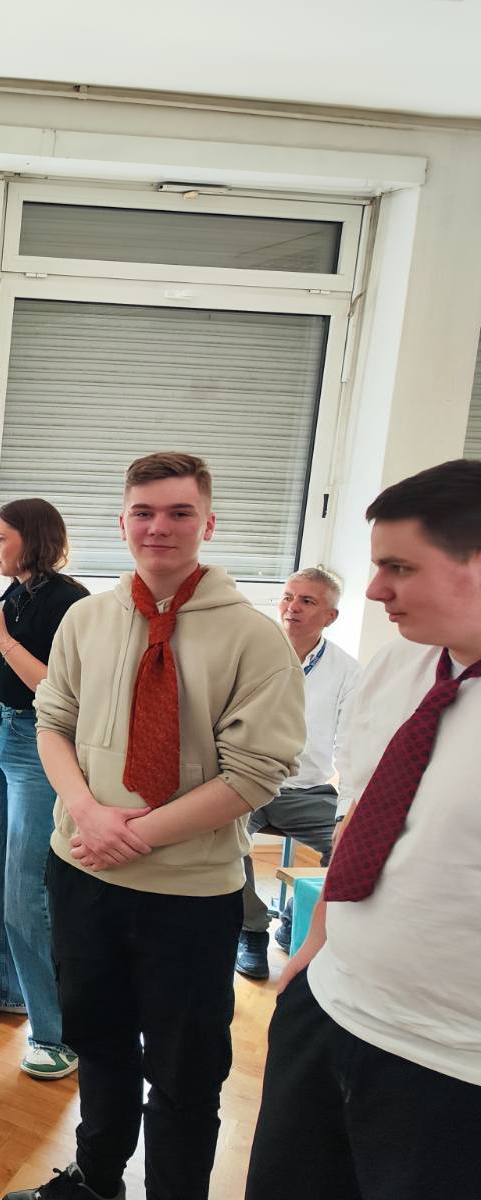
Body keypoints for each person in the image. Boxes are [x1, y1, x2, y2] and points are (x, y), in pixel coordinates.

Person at [5, 452, 304, 1200]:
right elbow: (52, 724)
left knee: (186, 1071)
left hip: (190, 893)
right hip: (84, 873)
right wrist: (87, 812)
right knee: (98, 1041)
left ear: (209, 523)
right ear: (122, 522)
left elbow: (254, 775)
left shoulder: (256, 639)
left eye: (178, 512)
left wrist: (131, 835)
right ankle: (97, 1178)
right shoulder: (87, 620)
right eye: (143, 512)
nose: (158, 527)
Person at [246, 459, 481, 1200]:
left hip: (451, 1065)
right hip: (330, 1008)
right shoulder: (399, 666)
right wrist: (312, 954)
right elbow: (363, 815)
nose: (375, 590)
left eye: (399, 568)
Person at [0, 499, 89, 1081]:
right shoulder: (15, 593)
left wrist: (1, 636)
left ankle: (54, 1033)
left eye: (2, 538)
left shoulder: (70, 602)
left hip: (39, 745)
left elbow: (56, 688)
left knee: (25, 888)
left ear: (32, 540)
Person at [234, 566, 359, 980]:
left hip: (308, 790)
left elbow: (350, 747)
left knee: (352, 844)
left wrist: (346, 813)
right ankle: (252, 930)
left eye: (307, 601)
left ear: (330, 617)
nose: (293, 607)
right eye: (288, 597)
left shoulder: (348, 672)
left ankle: (295, 916)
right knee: (224, 839)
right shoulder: (249, 653)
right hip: (248, 781)